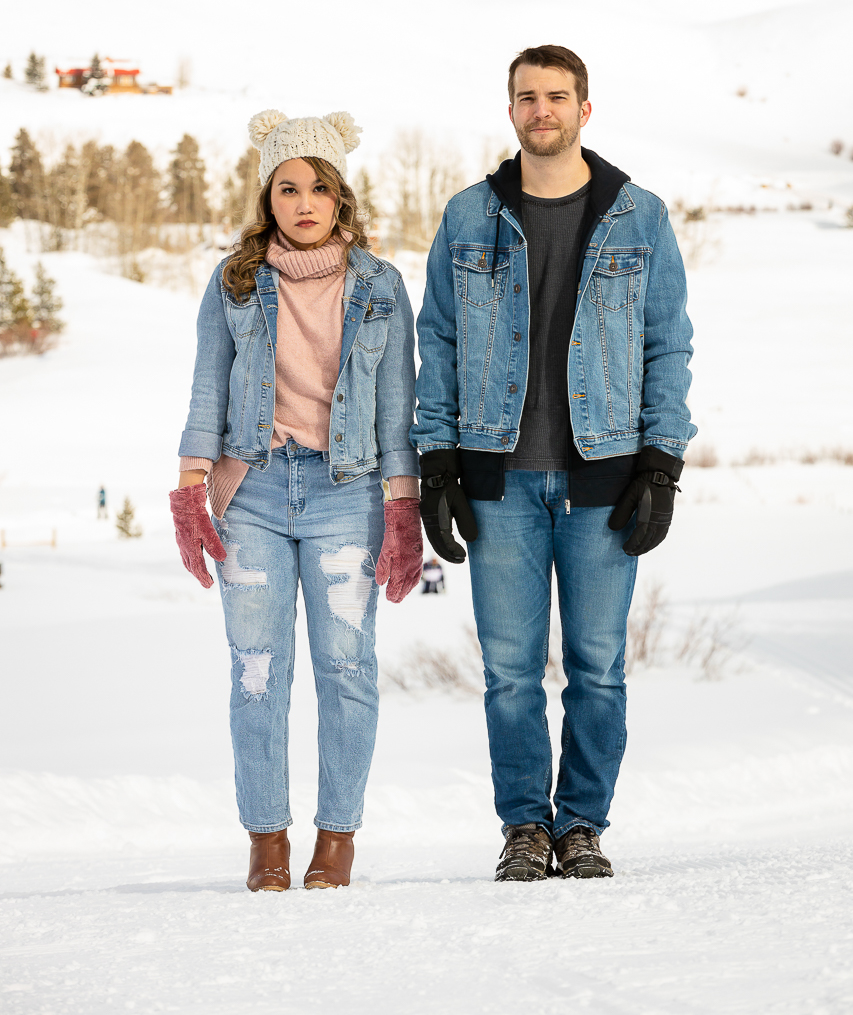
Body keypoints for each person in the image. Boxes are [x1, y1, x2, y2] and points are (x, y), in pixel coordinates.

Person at [413, 45, 696, 882]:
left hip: (603, 479)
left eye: (557, 96)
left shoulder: (636, 215)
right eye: (527, 97)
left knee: (597, 669)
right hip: (497, 479)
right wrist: (437, 465)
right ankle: (522, 830)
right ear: (510, 112)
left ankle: (581, 827)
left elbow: (666, 342)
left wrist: (660, 463)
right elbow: (439, 339)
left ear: (584, 109)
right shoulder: (469, 215)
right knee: (508, 673)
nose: (542, 110)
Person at [170, 108, 423, 893]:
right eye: (288, 188)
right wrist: (188, 487)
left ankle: (337, 840)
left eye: (319, 186)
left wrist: (403, 507)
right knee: (256, 669)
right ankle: (267, 842)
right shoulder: (236, 280)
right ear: (267, 199)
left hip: (345, 492)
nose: (304, 201)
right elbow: (209, 382)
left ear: (341, 197)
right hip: (250, 488)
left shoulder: (379, 285)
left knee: (345, 666)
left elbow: (395, 403)